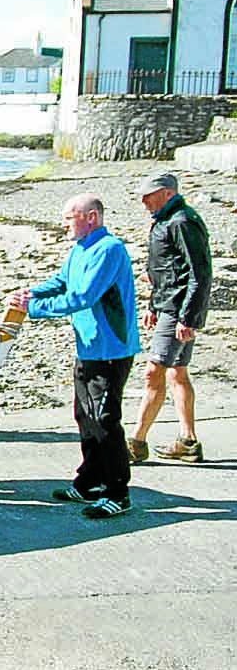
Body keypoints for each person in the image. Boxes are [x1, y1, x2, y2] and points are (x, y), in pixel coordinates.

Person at [9, 194, 141, 520]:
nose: (64, 224)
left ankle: (118, 492)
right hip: (88, 347)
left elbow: (83, 296)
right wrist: (32, 293)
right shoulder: (80, 248)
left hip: (110, 349)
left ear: (91, 217)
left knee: (105, 419)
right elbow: (63, 282)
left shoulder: (109, 249)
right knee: (84, 416)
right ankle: (89, 482)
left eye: (69, 218)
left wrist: (33, 309)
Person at [127, 173, 211, 465]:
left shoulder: (181, 221)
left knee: (154, 371)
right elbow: (166, 270)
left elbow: (199, 274)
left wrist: (187, 318)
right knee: (177, 371)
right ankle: (188, 442)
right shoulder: (168, 220)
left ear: (166, 193)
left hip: (178, 310)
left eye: (148, 195)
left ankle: (136, 442)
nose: (143, 201)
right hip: (171, 307)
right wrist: (154, 304)